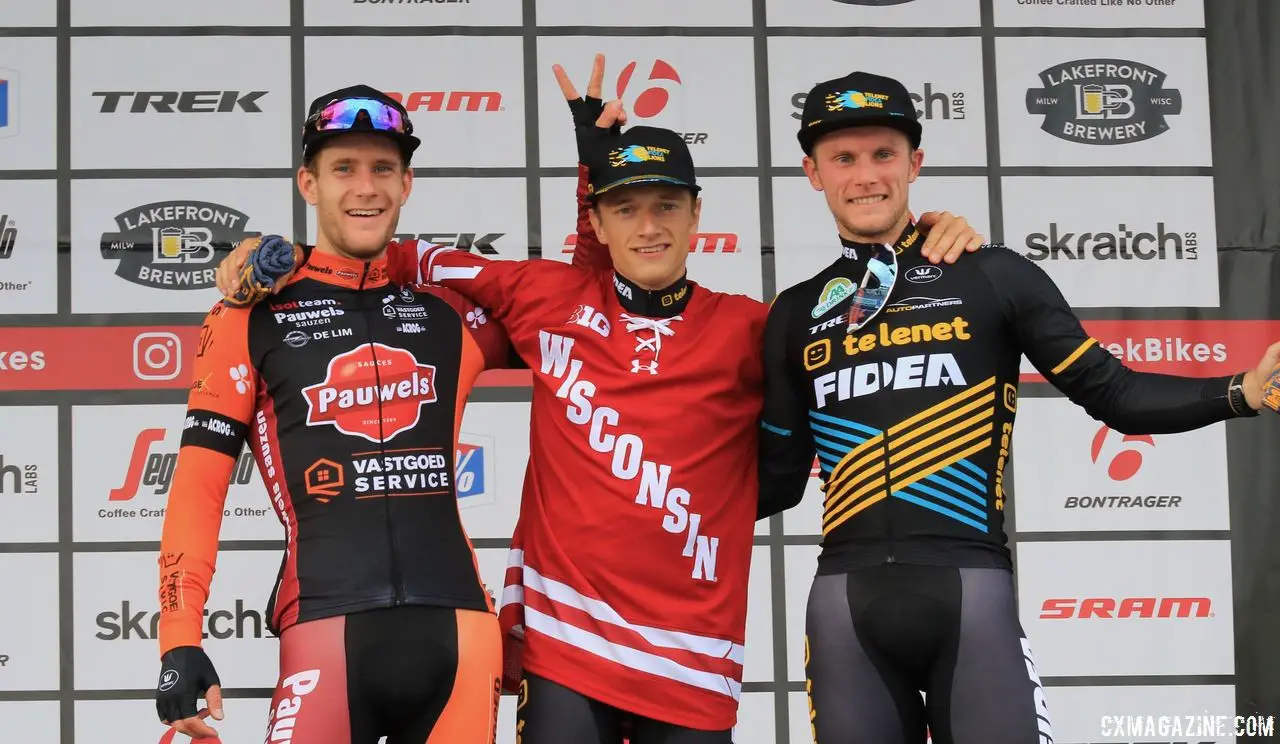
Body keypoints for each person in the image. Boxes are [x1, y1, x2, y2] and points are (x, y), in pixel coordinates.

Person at [211, 57, 987, 744]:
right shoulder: (543, 296)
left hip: (695, 663)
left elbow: (878, 332)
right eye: (624, 209)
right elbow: (383, 249)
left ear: (697, 217)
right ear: (598, 219)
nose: (649, 227)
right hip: (564, 654)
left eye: (666, 207)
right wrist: (266, 258)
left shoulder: (760, 323)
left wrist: (931, 242)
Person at [756, 70, 1280, 744]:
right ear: (813, 172)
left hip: (971, 597)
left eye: (884, 154)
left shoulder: (991, 273)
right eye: (843, 158)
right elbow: (772, 478)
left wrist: (1236, 391)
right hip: (844, 609)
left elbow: (1114, 393)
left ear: (915, 163)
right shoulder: (794, 313)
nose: (866, 175)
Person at [153, 85, 521, 743]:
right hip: (325, 629)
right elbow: (199, 489)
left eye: (383, 168)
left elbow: (579, 321)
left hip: (461, 635)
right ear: (308, 183)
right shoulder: (249, 315)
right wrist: (178, 637)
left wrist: (591, 191)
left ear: (407, 184)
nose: (365, 187)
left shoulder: (444, 314)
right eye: (343, 168)